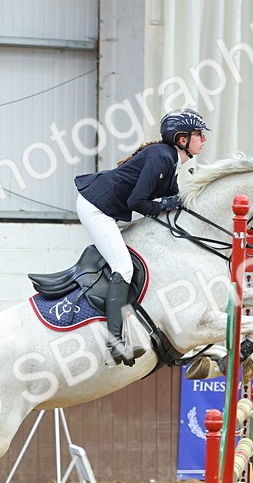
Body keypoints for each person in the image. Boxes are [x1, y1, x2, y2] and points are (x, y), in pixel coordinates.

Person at [74, 108, 210, 365]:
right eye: (198, 134)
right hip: (95, 207)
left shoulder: (170, 160)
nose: (203, 139)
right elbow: (138, 202)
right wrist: (168, 202)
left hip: (106, 206)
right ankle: (115, 342)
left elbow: (172, 203)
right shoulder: (162, 157)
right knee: (123, 267)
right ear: (182, 139)